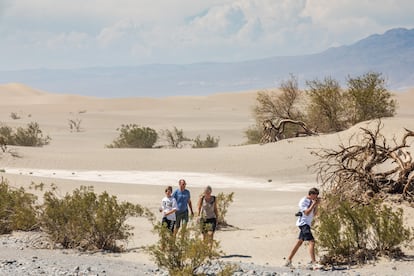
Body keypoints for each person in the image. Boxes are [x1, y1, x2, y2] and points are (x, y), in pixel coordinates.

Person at [285, 187, 323, 270]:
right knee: (312, 242)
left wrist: (316, 205)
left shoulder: (312, 201)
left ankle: (288, 260)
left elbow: (315, 214)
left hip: (307, 224)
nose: (316, 197)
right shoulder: (304, 201)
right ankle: (314, 263)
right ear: (311, 194)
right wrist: (313, 204)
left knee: (299, 242)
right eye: (315, 195)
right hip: (303, 223)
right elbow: (306, 212)